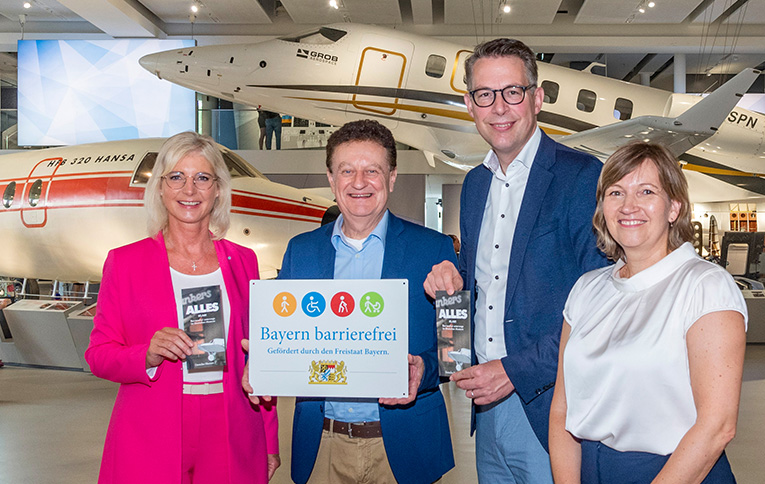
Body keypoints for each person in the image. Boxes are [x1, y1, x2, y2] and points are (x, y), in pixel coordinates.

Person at [423, 38, 607, 483]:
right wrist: (449, 285)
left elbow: (600, 306)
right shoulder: (475, 185)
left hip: (551, 405)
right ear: (469, 104)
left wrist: (513, 371)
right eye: (485, 94)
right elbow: (479, 287)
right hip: (486, 409)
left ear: (537, 98)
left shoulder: (582, 177)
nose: (499, 107)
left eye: (513, 91)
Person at [244, 119, 456, 484]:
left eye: (372, 170)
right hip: (323, 443)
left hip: (405, 447)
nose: (359, 183)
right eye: (347, 171)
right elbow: (277, 331)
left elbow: (459, 350)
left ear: (391, 178)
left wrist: (425, 370)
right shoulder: (302, 251)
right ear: (331, 179)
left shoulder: (433, 250)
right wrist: (259, 361)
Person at [85, 131, 279, 484]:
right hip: (151, 427)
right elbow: (98, 354)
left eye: (202, 178)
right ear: (160, 187)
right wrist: (147, 354)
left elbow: (258, 355)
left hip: (232, 423)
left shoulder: (244, 261)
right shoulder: (124, 262)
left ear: (218, 188)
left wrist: (268, 437)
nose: (189, 190)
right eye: (176, 177)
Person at [548, 142, 747, 483]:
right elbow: (562, 411)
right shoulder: (586, 289)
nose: (629, 206)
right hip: (591, 470)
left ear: (674, 207)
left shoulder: (705, 287)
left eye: (646, 191)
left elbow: (717, 426)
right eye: (616, 193)